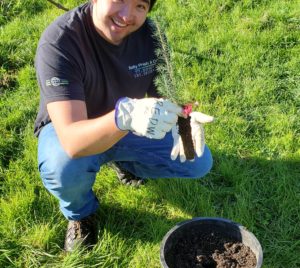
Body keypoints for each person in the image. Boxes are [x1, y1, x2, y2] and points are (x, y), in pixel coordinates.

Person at [34, 0, 214, 252]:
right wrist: (122, 117)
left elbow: (164, 93)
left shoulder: (150, 36)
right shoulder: (60, 42)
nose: (127, 15)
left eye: (140, 5)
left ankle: (125, 163)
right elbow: (73, 141)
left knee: (198, 161)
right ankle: (81, 213)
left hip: (134, 120)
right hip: (77, 128)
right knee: (63, 166)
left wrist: (184, 118)